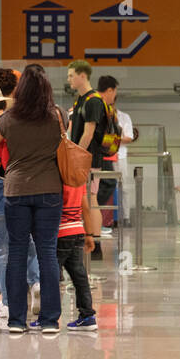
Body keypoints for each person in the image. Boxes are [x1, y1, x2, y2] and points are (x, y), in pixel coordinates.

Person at [0, 64, 64, 334]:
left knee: (15, 252)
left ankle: (16, 321)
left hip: (15, 191)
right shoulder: (55, 117)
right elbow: (64, 148)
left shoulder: (8, 120)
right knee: (47, 252)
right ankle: (49, 321)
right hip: (50, 189)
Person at [0, 80, 39, 314]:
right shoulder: (17, 124)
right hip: (20, 184)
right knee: (27, 238)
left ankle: (8, 302)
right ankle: (36, 282)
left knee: (0, 248)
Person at [66, 60, 107, 262]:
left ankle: (96, 241)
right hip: (80, 157)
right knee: (85, 198)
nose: (69, 79)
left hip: (88, 158)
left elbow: (88, 133)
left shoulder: (93, 101)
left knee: (91, 198)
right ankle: (88, 237)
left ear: (83, 76)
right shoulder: (80, 100)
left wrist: (77, 154)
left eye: (72, 75)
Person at [57, 179, 98, 331]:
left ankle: (50, 317)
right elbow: (85, 209)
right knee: (80, 275)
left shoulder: (58, 178)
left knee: (52, 275)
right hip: (77, 231)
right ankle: (87, 316)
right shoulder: (77, 180)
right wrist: (89, 234)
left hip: (60, 232)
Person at [95, 75, 133, 230]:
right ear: (110, 91)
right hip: (103, 155)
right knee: (103, 185)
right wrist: (113, 139)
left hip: (117, 155)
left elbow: (128, 137)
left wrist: (113, 140)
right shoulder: (98, 108)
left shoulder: (123, 117)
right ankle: (95, 220)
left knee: (120, 187)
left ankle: (124, 218)